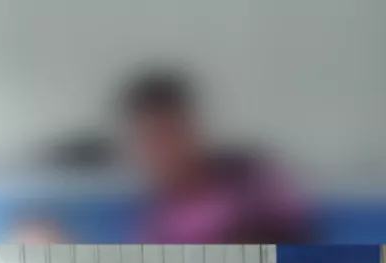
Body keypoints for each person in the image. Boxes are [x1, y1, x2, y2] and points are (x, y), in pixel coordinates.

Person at [121, 71, 310, 244]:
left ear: (191, 130)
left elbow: (297, 243)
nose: (163, 151)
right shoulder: (152, 217)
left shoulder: (250, 185)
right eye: (150, 140)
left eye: (168, 134)